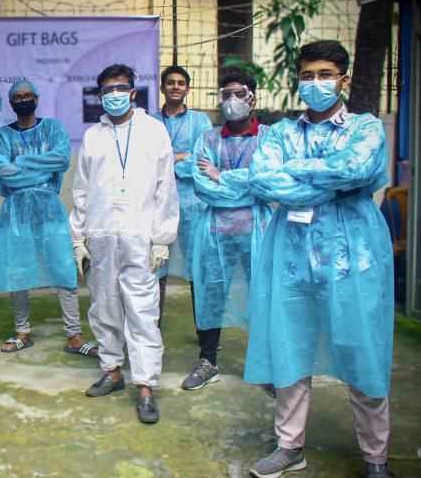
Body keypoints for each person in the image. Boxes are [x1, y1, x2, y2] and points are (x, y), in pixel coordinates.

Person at [245, 41, 394, 478]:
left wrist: (299, 170)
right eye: (307, 75)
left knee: (362, 350)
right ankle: (289, 446)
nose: (316, 83)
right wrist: (331, 176)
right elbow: (264, 178)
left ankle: (376, 458)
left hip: (355, 256)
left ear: (343, 80)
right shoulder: (280, 133)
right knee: (291, 348)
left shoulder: (366, 128)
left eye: (325, 74)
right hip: (292, 255)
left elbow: (360, 169)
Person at [70, 64, 179, 424]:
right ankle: (112, 371)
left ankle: (145, 387)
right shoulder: (93, 137)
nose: (114, 94)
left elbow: (166, 188)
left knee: (143, 311)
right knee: (103, 307)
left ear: (133, 92)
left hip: (140, 236)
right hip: (101, 235)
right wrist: (78, 237)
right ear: (99, 96)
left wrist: (162, 239)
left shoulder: (153, 131)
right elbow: (81, 191)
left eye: (121, 88)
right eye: (107, 90)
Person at [0, 79, 97, 356]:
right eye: (18, 97)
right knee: (18, 271)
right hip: (17, 215)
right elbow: (4, 173)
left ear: (37, 98)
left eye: (28, 95)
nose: (23, 100)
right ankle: (22, 332)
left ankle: (74, 336)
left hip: (49, 210)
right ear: (11, 104)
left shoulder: (53, 128)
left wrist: (21, 163)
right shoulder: (3, 135)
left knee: (64, 269)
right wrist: (37, 170)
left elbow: (61, 160)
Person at [182, 72, 272, 391]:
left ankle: (268, 367)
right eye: (226, 94)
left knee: (263, 295)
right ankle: (208, 361)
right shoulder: (208, 138)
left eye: (239, 93)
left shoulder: (269, 138)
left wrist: (223, 177)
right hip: (215, 231)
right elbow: (202, 187)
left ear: (253, 98)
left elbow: (269, 183)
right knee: (211, 294)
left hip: (258, 231)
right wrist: (242, 184)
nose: (231, 101)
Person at [150, 66, 212, 326]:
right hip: (156, 203)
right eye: (171, 82)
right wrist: (180, 157)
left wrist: (167, 162)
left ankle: (205, 331)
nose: (176, 87)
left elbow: (203, 161)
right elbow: (145, 164)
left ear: (188, 89)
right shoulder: (149, 122)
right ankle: (152, 328)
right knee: (155, 268)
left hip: (192, 203)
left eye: (181, 83)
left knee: (198, 270)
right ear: (163, 87)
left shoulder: (200, 122)